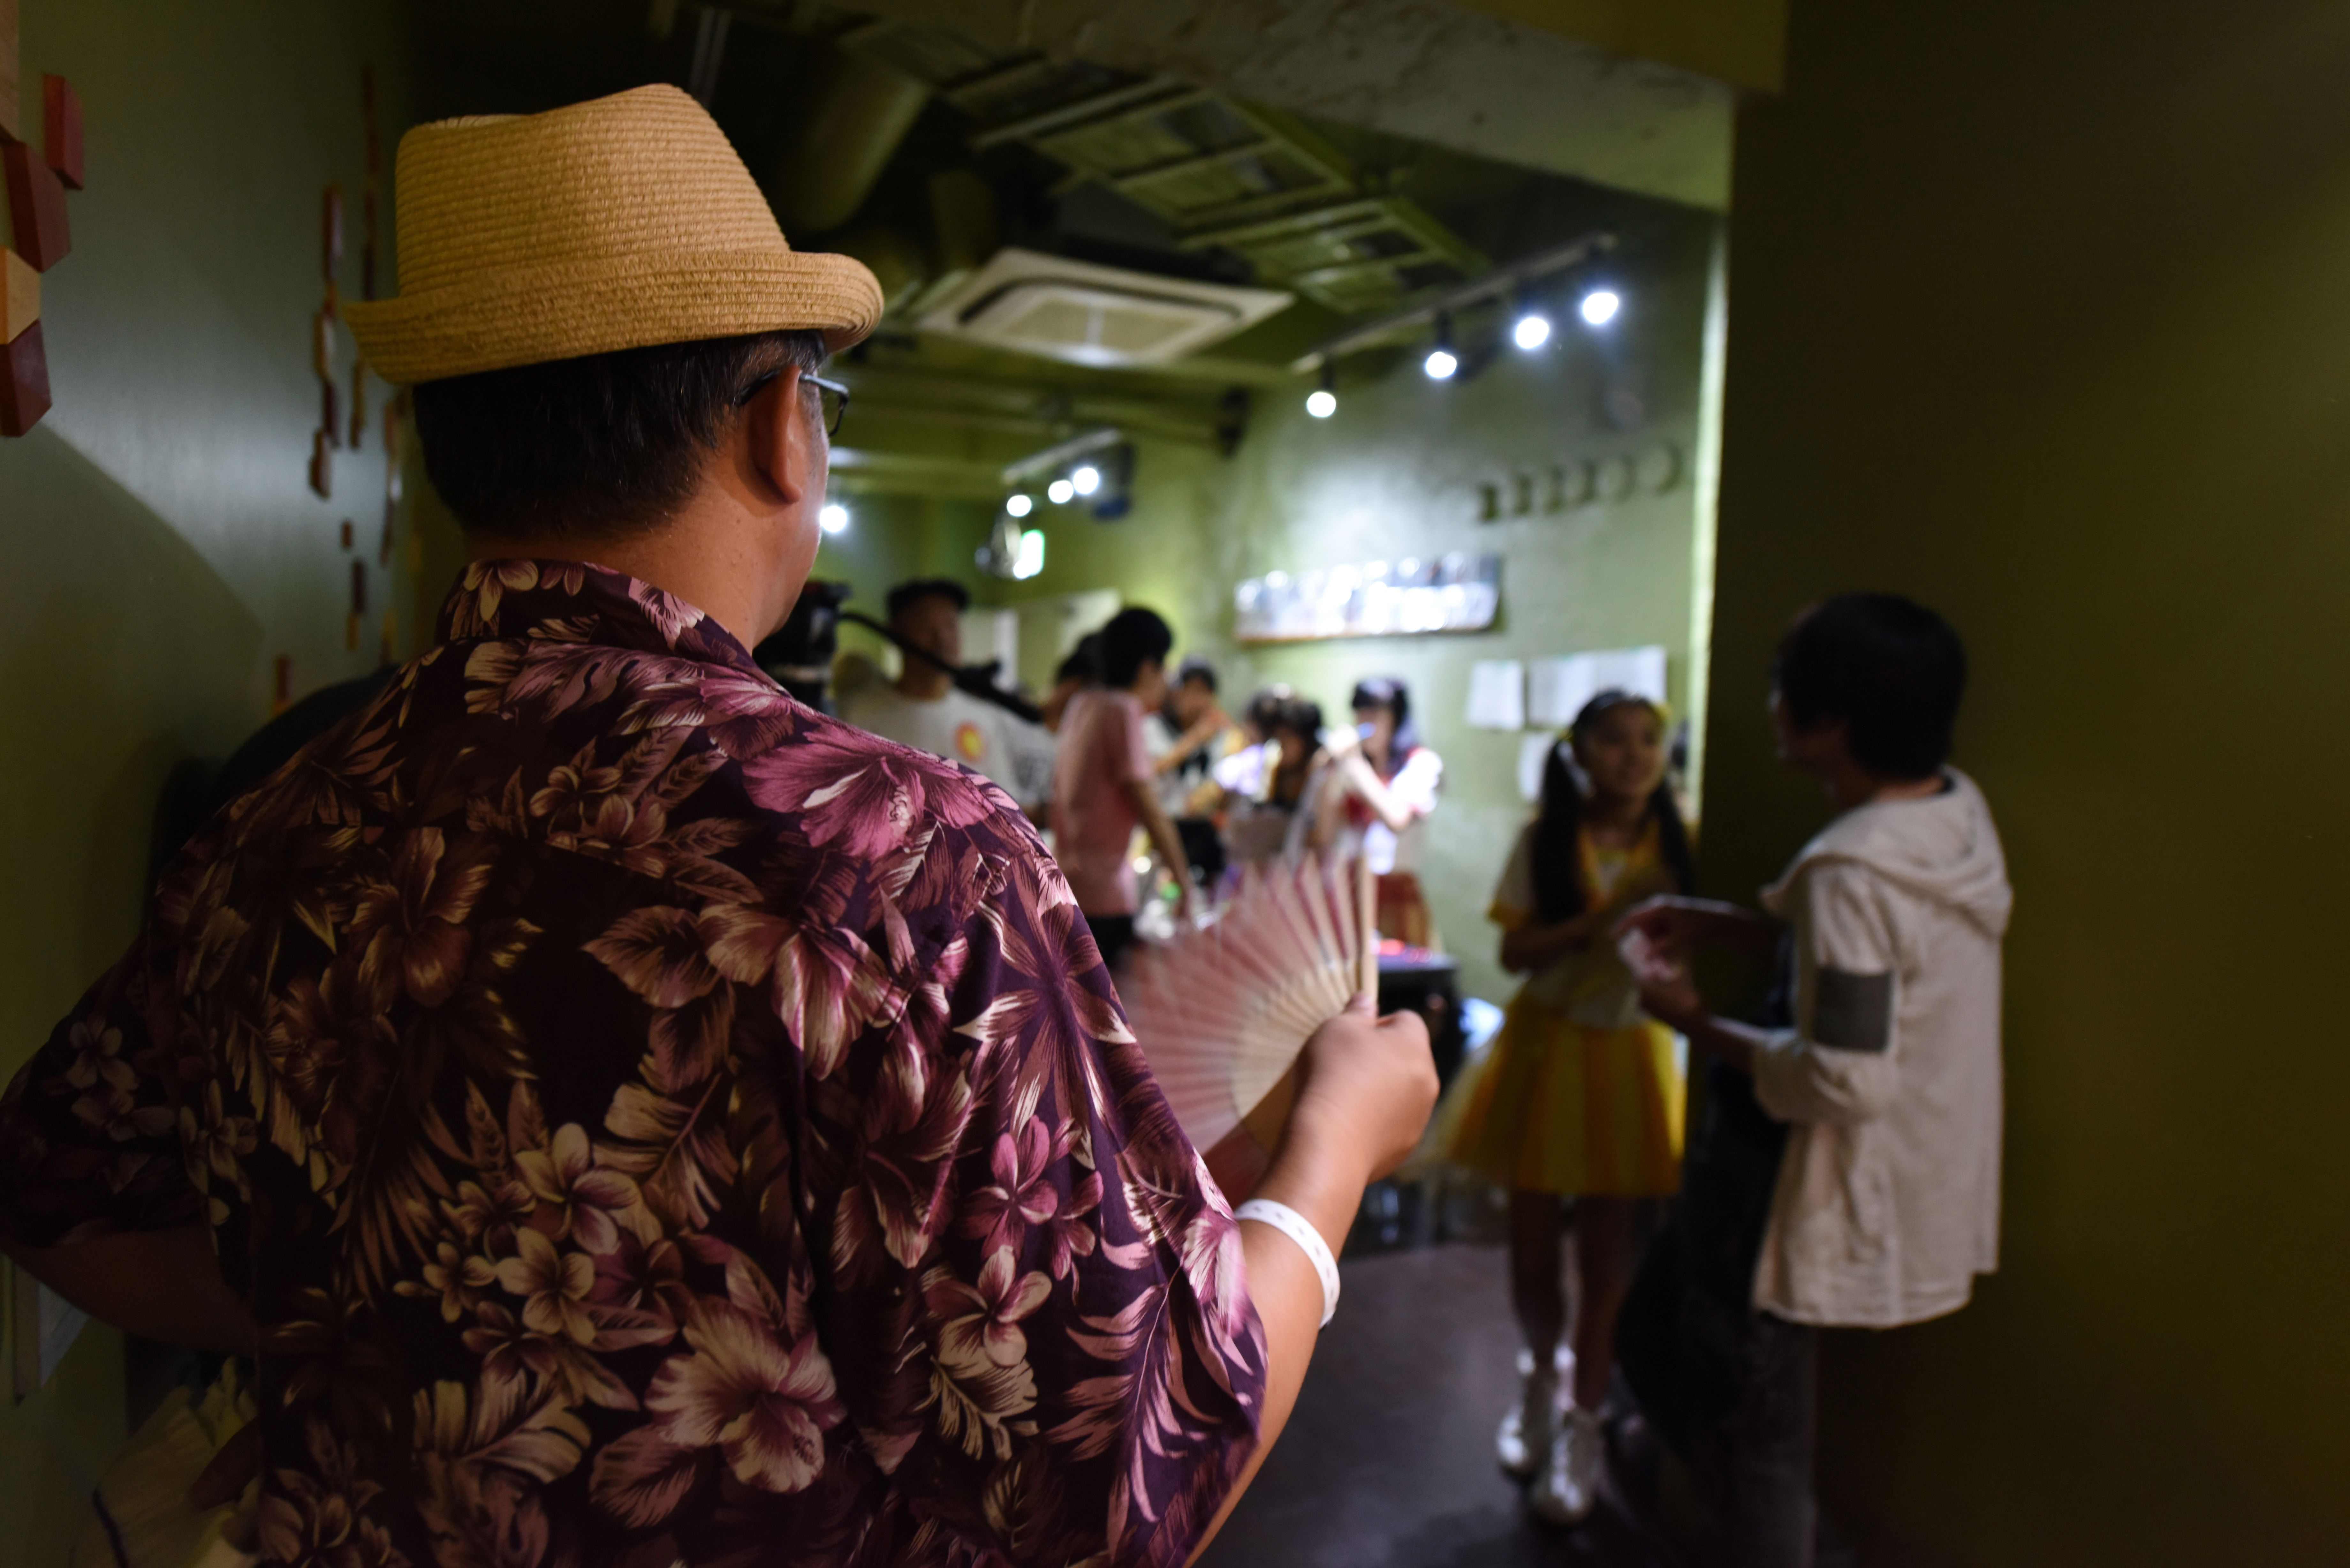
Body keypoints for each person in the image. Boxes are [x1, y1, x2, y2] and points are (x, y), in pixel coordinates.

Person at [0, 86, 1437, 1568]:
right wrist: (1330, 1153)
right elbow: (1125, 1479)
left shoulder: (288, 813)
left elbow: (57, 1191)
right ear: (776, 430)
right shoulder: (895, 850)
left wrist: (415, 1304)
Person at [1617, 593, 2009, 1566]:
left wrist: (1688, 1021)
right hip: (1910, 1165)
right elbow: (1875, 978)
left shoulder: (1852, 870)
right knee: (1734, 1408)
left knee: (1762, 1445)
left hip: (1810, 1182)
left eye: (1781, 681)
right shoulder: (1951, 815)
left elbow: (1841, 1076)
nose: (1769, 700)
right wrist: (1728, 924)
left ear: (1829, 721)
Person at [1436, 691, 1697, 1524]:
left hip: (1628, 1057)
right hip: (1545, 1057)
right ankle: (1538, 1383)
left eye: (1649, 740)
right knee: (1535, 1246)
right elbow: (1514, 952)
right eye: (1615, 740)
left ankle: (1586, 1422)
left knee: (1610, 1259)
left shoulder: (1680, 843)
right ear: (1580, 752)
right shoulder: (1546, 839)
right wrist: (1598, 922)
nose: (1635, 755)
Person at [1051, 607, 1199, 969]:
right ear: (1148, 667)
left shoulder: (1083, 703)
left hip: (1063, 883)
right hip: (1104, 897)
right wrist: (1184, 884)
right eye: (1164, 667)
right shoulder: (1122, 709)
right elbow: (1149, 808)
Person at [839, 576, 1046, 812]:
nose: (942, 639)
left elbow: (1004, 807)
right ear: (896, 633)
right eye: (926, 626)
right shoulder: (857, 715)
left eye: (950, 625)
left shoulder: (983, 719)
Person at [1315, 676, 1444, 946]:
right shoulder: (1354, 767)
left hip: (1394, 897)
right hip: (1348, 891)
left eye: (1375, 712)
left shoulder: (1420, 764)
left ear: (1396, 717)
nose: (1365, 720)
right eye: (1360, 711)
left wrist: (1353, 763)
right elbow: (1325, 838)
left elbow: (1397, 819)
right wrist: (1326, 775)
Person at [1147, 659, 1237, 887]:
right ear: (1177, 693)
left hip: (1202, 830)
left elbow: (1222, 786)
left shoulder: (1219, 735)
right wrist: (1195, 739)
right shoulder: (1152, 727)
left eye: (1205, 693)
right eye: (1191, 691)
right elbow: (1153, 770)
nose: (1197, 701)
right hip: (1162, 830)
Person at [1219, 692, 1328, 871]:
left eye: (1287, 736)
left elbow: (1319, 838)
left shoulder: (1321, 775)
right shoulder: (1275, 770)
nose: (1281, 744)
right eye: (1277, 737)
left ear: (1305, 739)